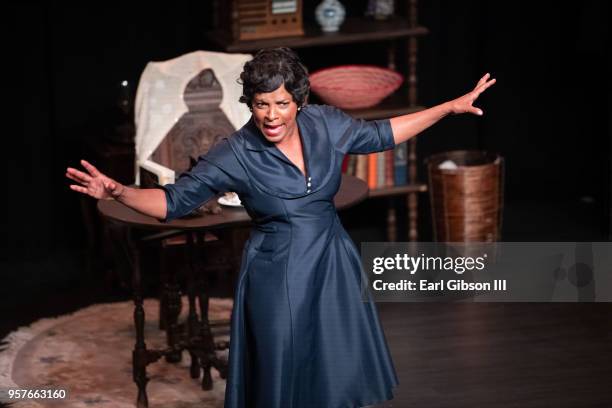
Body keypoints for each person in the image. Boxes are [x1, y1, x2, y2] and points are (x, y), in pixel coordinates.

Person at [66, 47, 495, 408]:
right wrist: (118, 190)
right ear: (250, 103)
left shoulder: (325, 123)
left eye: (281, 103)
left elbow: (382, 134)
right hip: (278, 273)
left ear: (299, 102)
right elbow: (172, 202)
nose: (271, 115)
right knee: (282, 377)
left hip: (333, 264)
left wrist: (449, 108)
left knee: (334, 373)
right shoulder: (234, 152)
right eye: (260, 104)